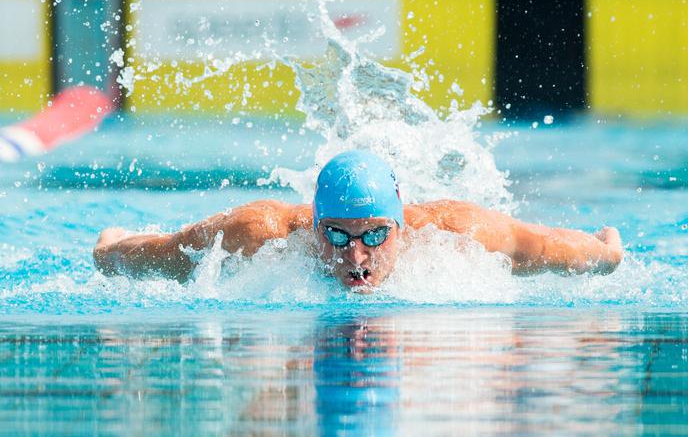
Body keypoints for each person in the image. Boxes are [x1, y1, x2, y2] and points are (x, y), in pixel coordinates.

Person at [93, 150, 623, 290]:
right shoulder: (261, 233)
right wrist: (111, 251)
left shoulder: (453, 233)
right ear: (315, 226)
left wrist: (604, 253)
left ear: (400, 228)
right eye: (337, 236)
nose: (356, 257)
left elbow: (543, 246)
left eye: (374, 235)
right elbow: (170, 251)